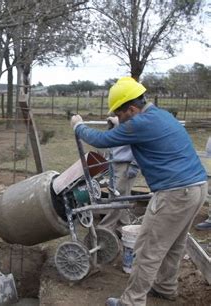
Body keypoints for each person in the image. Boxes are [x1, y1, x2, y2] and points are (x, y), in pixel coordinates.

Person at [70, 77, 208, 306]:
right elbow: (131, 130)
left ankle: (131, 302)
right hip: (196, 188)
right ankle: (165, 287)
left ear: (132, 109)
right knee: (174, 245)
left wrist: (78, 126)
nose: (121, 120)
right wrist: (120, 123)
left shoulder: (140, 123)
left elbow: (101, 140)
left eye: (121, 115)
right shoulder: (161, 116)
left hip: (174, 193)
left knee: (146, 250)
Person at [99, 116, 139, 234]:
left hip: (126, 165)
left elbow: (140, 144)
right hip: (115, 163)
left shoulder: (134, 123)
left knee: (118, 197)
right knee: (123, 195)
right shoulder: (119, 122)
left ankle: (105, 227)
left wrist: (135, 165)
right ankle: (124, 226)